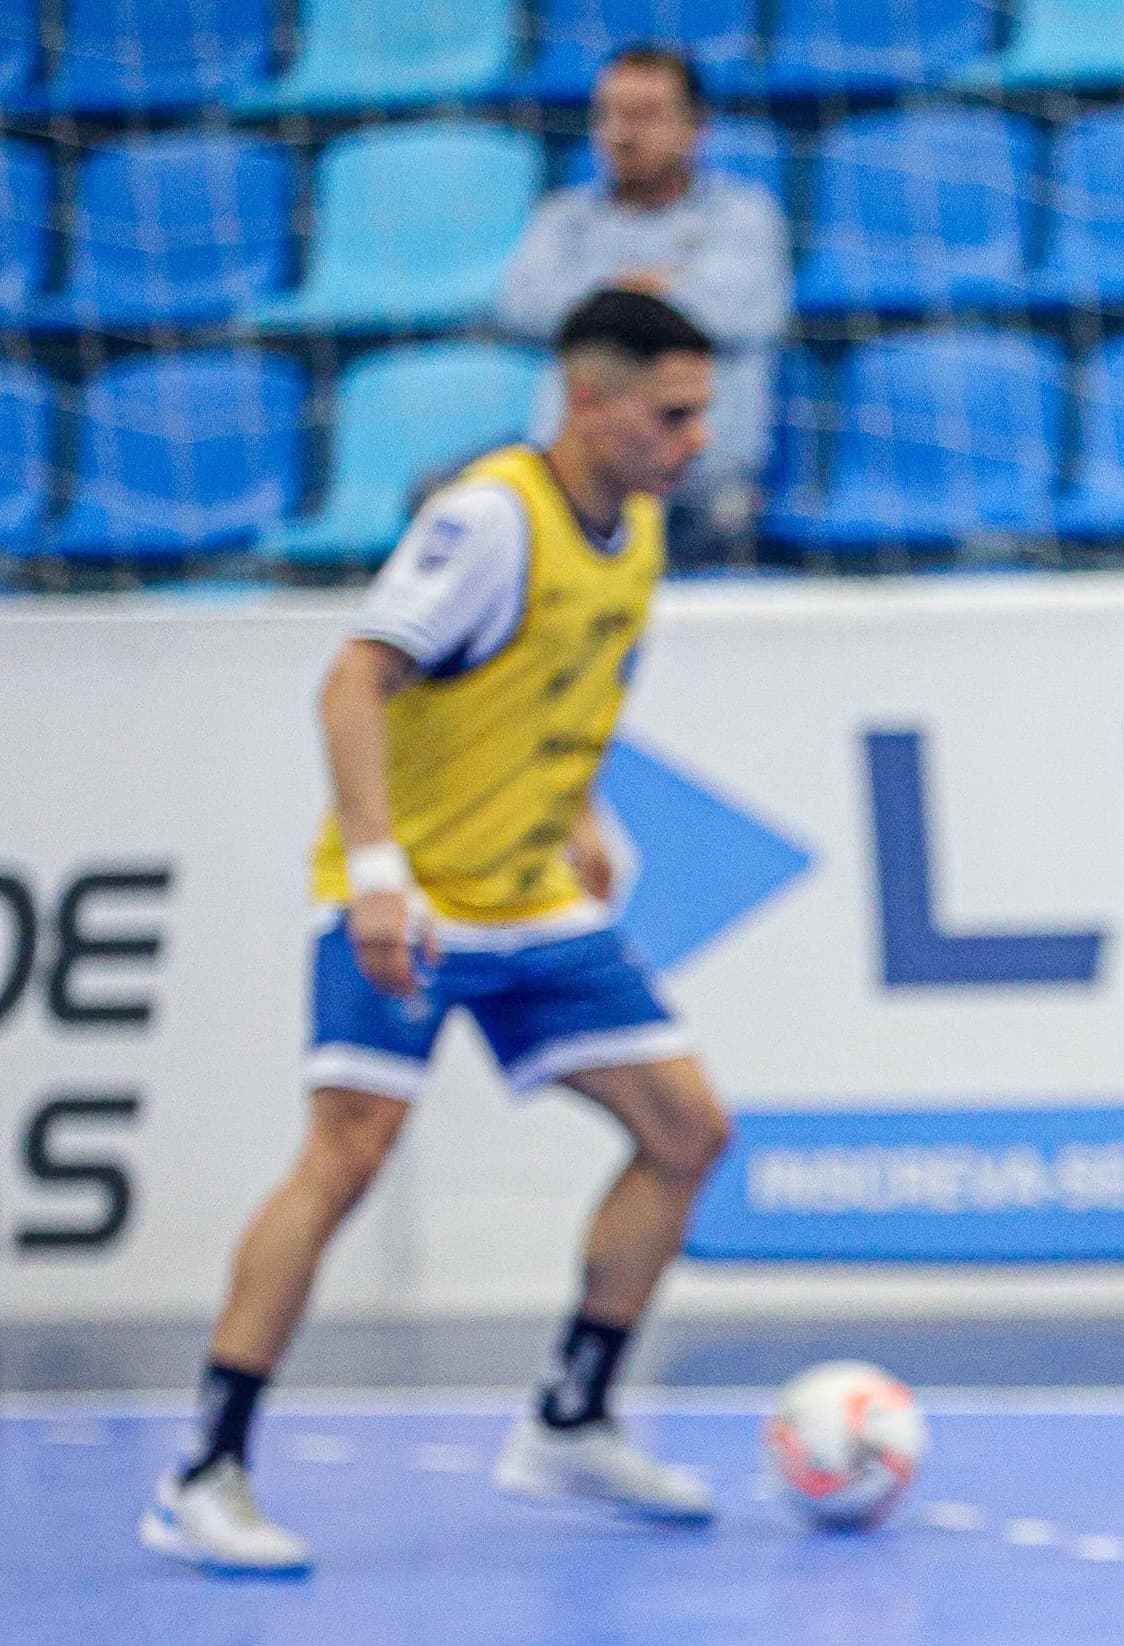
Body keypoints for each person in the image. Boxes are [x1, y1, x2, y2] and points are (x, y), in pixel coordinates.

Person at [141, 291, 737, 1579]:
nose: (695, 439)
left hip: (528, 896)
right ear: (591, 399)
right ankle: (206, 1468)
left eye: (702, 414)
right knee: (346, 1156)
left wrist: (580, 810)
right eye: (672, 413)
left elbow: (547, 685)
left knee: (688, 1128)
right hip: (410, 900)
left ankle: (569, 1420)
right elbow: (355, 677)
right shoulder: (488, 517)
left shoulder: (633, 529)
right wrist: (373, 870)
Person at [493, 43, 786, 556]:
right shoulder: (564, 217)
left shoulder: (743, 214)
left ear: (697, 127)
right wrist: (637, 293)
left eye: (646, 115)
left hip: (701, 476)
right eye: (611, 115)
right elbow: (521, 306)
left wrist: (599, 305)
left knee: (727, 519)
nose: (623, 133)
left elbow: (742, 312)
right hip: (571, 469)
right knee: (439, 489)